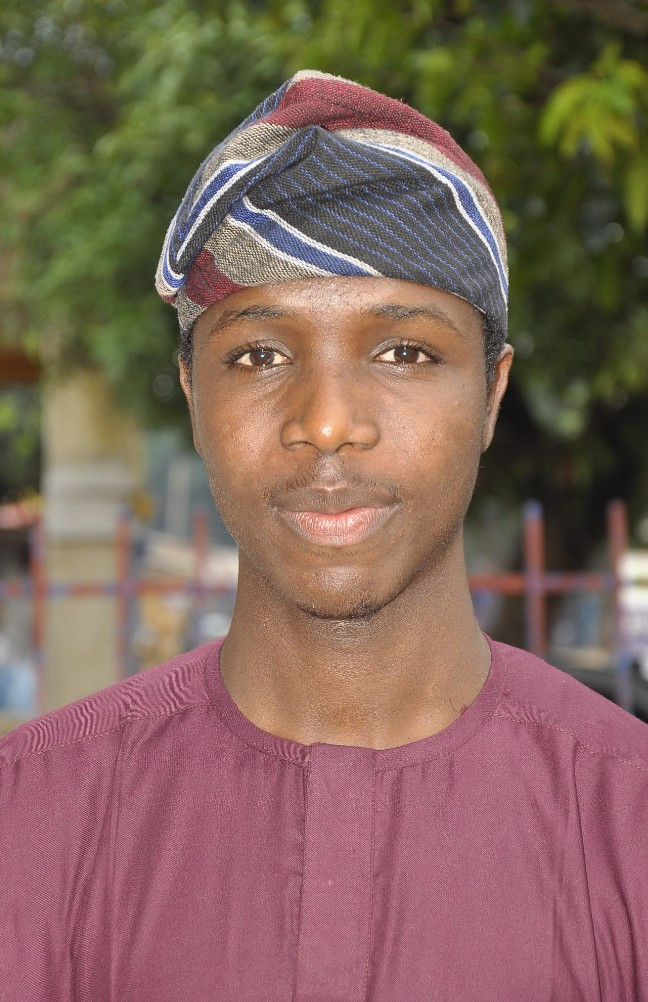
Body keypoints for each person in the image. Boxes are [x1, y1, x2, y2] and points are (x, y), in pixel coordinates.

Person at [1, 70, 647, 1002]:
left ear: (491, 394)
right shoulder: (30, 821)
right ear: (192, 395)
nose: (329, 421)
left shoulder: (625, 825)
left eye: (405, 352)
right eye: (259, 354)